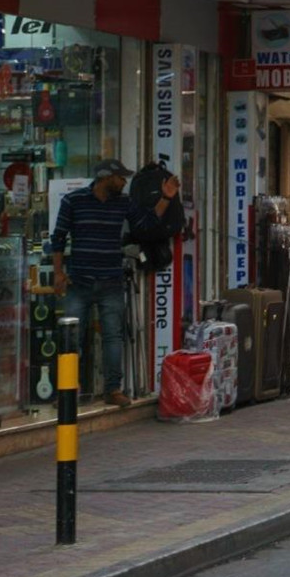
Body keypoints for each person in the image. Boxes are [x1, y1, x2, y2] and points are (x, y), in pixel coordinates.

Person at [50, 158, 172, 407]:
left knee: (113, 337)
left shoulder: (124, 202)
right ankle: (67, 390)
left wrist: (166, 198)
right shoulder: (74, 201)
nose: (124, 182)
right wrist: (58, 273)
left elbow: (146, 225)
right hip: (79, 281)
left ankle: (113, 389)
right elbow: (58, 237)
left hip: (110, 281)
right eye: (120, 177)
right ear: (106, 177)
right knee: (72, 337)